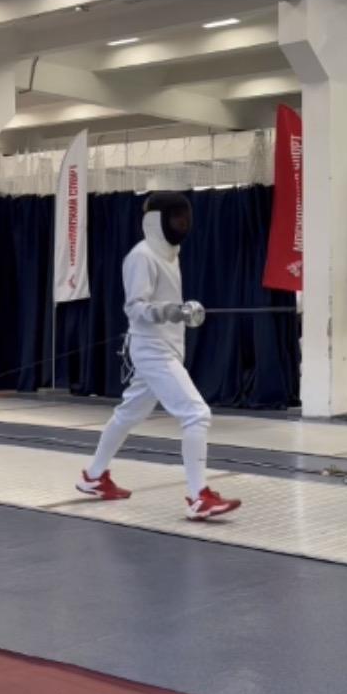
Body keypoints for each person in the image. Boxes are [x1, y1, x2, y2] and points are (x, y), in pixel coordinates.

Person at [78, 192, 241, 521]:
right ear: (156, 221)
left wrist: (180, 313)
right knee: (196, 414)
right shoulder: (141, 256)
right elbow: (135, 307)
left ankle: (93, 476)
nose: (182, 224)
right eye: (176, 217)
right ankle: (198, 497)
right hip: (152, 350)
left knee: (128, 414)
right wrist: (172, 311)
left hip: (166, 347)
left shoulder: (170, 254)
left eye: (185, 218)